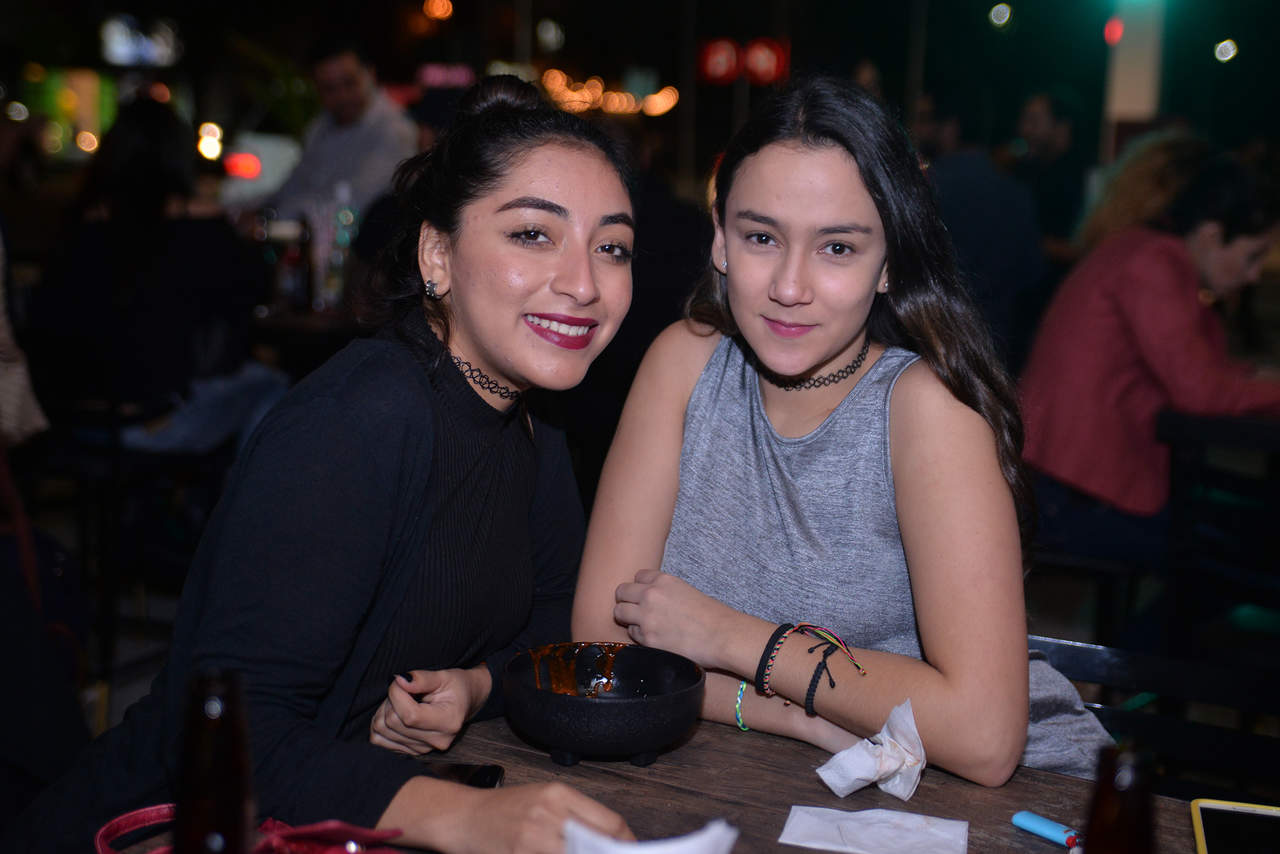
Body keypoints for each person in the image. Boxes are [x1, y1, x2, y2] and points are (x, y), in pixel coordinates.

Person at [5, 75, 635, 854]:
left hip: (336, 814)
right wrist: (464, 816)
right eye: (533, 235)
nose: (584, 283)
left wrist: (476, 686)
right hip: (161, 825)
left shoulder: (532, 414)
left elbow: (555, 624)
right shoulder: (362, 417)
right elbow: (232, 730)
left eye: (611, 247)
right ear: (437, 254)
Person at [571, 77, 1111, 788]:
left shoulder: (928, 410)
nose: (790, 287)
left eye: (837, 248)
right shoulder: (683, 362)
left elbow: (984, 738)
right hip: (775, 775)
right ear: (721, 240)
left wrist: (727, 637)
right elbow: (600, 646)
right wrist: (776, 711)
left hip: (1016, 802)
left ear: (889, 263)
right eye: (761, 237)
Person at [1021, 152, 1280, 567]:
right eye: (1253, 256)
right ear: (1211, 234)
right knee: (1240, 550)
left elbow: (1201, 370)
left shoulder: (1143, 250)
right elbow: (1200, 391)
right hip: (1073, 495)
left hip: (1065, 482)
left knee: (1237, 536)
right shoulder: (1154, 263)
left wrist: (1252, 376)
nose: (1253, 275)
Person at [24, 97, 287, 455]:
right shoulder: (201, 230)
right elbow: (256, 290)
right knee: (280, 388)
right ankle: (241, 491)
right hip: (154, 419)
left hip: (72, 419)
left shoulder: (81, 227)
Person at [266, 40, 417, 221]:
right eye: (329, 88)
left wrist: (279, 216)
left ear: (371, 75)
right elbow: (293, 186)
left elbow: (354, 205)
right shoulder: (321, 127)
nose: (342, 96)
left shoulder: (394, 130)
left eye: (349, 83)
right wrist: (257, 210)